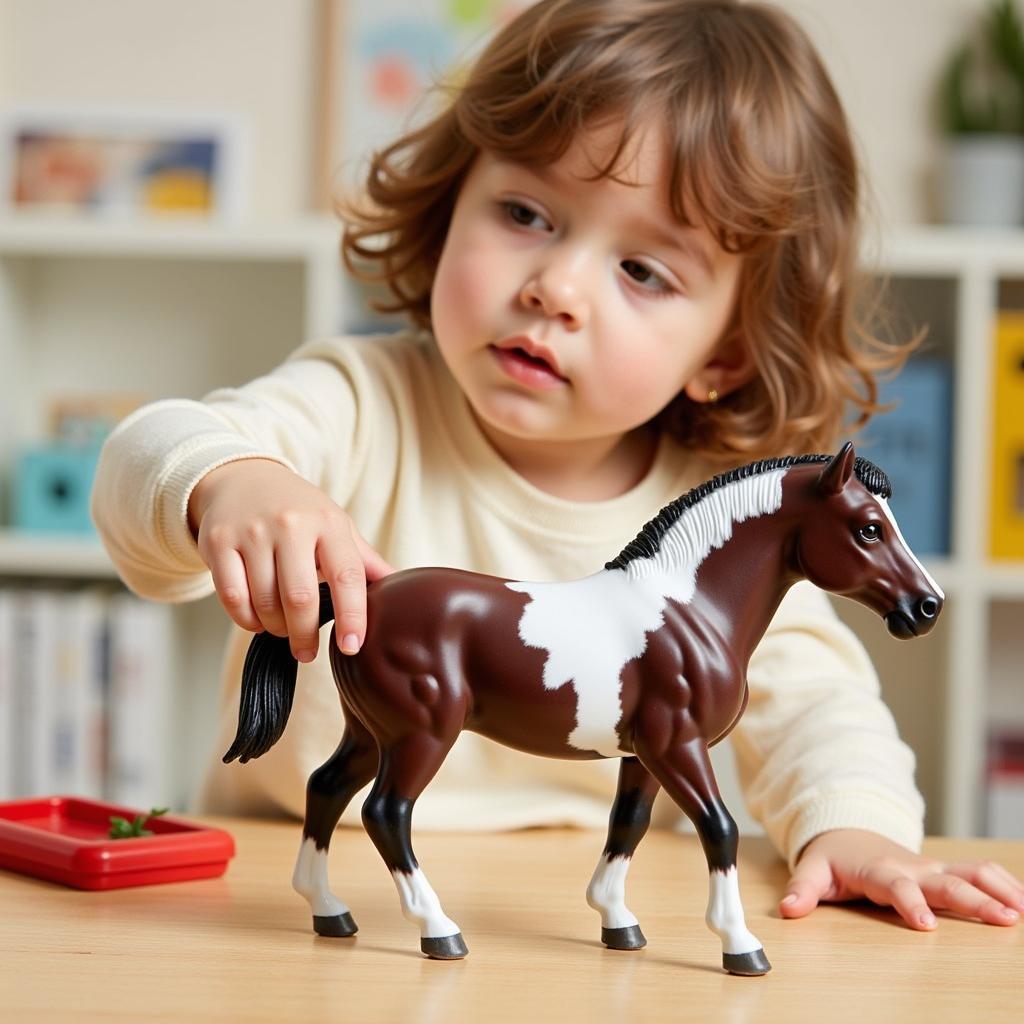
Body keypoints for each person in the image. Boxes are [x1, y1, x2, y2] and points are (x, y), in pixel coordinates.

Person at [92, 0, 1023, 932]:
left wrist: (858, 829)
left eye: (644, 272)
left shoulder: (726, 528)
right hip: (281, 917)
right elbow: (148, 452)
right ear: (451, 199)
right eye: (526, 213)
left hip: (563, 929)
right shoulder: (359, 402)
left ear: (725, 354)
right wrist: (230, 482)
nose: (557, 288)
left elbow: (823, 705)